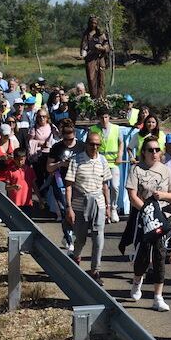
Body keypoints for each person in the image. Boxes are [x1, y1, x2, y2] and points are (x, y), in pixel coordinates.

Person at [126, 136, 171, 312]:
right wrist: (147, 211)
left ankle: (158, 297)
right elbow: (132, 195)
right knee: (142, 255)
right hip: (144, 218)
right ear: (144, 152)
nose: (154, 153)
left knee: (159, 255)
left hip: (163, 219)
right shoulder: (136, 170)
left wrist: (163, 196)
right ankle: (137, 281)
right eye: (150, 150)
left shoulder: (166, 171)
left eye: (157, 150)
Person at [64, 131, 112, 285]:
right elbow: (69, 185)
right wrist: (69, 207)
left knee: (98, 237)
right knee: (81, 238)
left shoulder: (103, 161)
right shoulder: (76, 160)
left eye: (98, 144)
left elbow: (105, 186)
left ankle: (95, 270)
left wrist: (109, 206)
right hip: (80, 204)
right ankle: (76, 256)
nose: (95, 147)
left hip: (98, 203)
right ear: (86, 144)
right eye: (92, 144)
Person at [47, 119, 85, 252]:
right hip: (61, 182)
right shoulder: (56, 147)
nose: (69, 142)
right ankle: (70, 240)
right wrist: (60, 164)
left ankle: (69, 234)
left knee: (76, 212)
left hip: (77, 182)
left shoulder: (82, 146)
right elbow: (49, 167)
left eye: (71, 139)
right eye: (66, 140)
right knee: (65, 211)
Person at [90, 106, 125, 223]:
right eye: (101, 117)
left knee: (115, 186)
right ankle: (104, 208)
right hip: (100, 162)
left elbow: (121, 143)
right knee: (101, 188)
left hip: (113, 162)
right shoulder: (94, 129)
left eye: (106, 117)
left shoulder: (116, 128)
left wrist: (120, 155)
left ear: (109, 117)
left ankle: (114, 207)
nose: (104, 120)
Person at [0, 148, 40, 217]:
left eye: (22, 160)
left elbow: (34, 186)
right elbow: (7, 187)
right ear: (14, 159)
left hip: (27, 203)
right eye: (18, 160)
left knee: (27, 223)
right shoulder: (10, 171)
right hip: (15, 203)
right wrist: (13, 187)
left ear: (25, 158)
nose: (20, 162)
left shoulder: (30, 170)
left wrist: (40, 199)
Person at [79, 15, 110, 99]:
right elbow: (84, 47)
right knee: (92, 80)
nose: (93, 25)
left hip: (100, 59)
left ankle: (101, 98)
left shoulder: (101, 34)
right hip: (90, 60)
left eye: (95, 23)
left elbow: (106, 44)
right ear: (89, 23)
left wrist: (103, 48)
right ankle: (94, 98)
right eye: (92, 23)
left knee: (101, 80)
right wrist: (83, 55)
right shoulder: (87, 34)